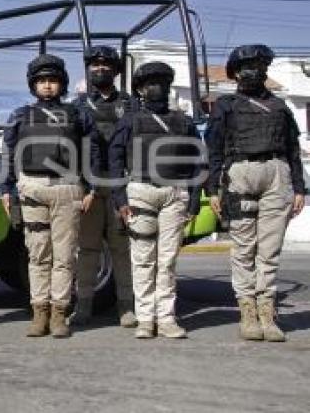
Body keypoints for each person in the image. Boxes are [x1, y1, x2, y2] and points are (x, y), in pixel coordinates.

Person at [205, 44, 305, 342]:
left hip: (278, 174)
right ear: (235, 73)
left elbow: (293, 150)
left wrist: (299, 187)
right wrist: (213, 188)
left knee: (269, 250)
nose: (252, 71)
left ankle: (266, 310)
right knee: (244, 247)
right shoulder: (225, 105)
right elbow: (213, 149)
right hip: (239, 174)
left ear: (265, 71)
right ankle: (247, 310)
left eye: (258, 66)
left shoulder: (279, 106)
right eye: (245, 66)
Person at [2, 54, 100, 338]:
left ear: (62, 84)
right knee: (38, 254)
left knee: (65, 256)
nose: (47, 86)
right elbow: (7, 153)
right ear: (33, 85)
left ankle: (59, 315)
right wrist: (6, 189)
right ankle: (39, 313)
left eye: (53, 80)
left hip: (67, 189)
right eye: (42, 81)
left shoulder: (78, 114)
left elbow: (91, 152)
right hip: (32, 188)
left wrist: (92, 187)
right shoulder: (20, 115)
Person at [108, 62, 202, 339]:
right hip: (140, 192)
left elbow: (198, 161)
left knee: (168, 260)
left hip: (175, 194)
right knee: (142, 259)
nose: (156, 88)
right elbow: (114, 160)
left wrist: (194, 200)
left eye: (161, 82)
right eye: (149, 83)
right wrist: (119, 197)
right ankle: (146, 319)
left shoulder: (184, 122)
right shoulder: (129, 121)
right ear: (139, 89)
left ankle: (167, 318)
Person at [71, 46, 137, 328]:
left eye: (106, 65)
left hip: (122, 184)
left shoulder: (132, 104)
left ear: (117, 70)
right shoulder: (78, 105)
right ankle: (83, 306)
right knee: (87, 250)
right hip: (90, 185)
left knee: (122, 249)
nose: (100, 69)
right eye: (95, 65)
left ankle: (126, 307)